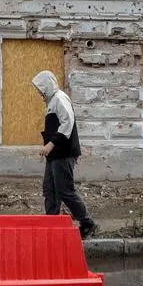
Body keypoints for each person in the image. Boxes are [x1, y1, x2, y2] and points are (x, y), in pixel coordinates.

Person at [33, 70, 98, 239]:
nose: (40, 93)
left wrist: (50, 144)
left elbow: (67, 123)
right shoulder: (52, 101)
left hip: (63, 153)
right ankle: (52, 225)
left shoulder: (59, 99)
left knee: (64, 190)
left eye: (40, 89)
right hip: (55, 155)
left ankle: (87, 222)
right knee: (50, 190)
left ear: (47, 86)